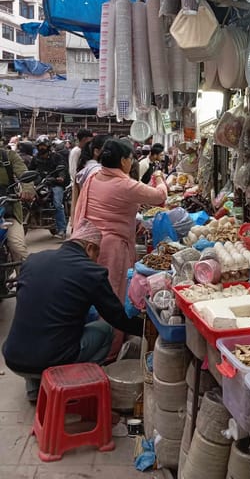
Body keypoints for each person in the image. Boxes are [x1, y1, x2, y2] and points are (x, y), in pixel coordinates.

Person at [1, 219, 144, 401]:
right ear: (90, 247)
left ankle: (35, 390)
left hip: (13, 356)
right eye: (97, 254)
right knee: (105, 330)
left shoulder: (33, 260)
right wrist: (146, 328)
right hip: (49, 359)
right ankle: (76, 388)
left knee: (41, 319)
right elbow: (116, 318)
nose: (97, 260)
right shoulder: (91, 272)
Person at [74, 139, 167, 353]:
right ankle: (110, 348)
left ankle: (101, 337)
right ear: (124, 161)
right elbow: (160, 196)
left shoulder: (94, 177)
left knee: (95, 293)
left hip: (89, 243)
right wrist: (160, 177)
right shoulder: (124, 184)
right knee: (113, 296)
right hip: (112, 247)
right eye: (130, 159)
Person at [29, 135, 68, 239]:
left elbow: (62, 169)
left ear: (48, 146)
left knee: (57, 204)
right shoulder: (35, 158)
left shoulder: (56, 157)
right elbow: (29, 170)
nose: (41, 148)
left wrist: (61, 177)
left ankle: (62, 230)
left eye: (43, 146)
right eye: (39, 146)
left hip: (55, 184)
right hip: (41, 184)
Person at [0, 146, 34, 261]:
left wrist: (27, 189)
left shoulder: (9, 157)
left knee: (17, 247)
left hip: (6, 211)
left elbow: (24, 173)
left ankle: (25, 277)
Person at [68, 129, 93, 221]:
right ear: (84, 139)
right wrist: (78, 184)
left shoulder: (83, 151)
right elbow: (73, 170)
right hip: (78, 185)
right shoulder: (76, 151)